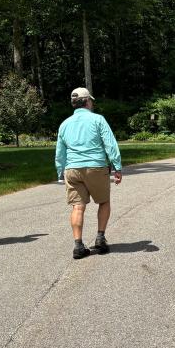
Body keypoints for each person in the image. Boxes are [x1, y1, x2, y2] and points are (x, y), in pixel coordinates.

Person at [55, 87, 123, 260]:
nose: (92, 103)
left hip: (72, 169)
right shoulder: (98, 120)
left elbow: (60, 151)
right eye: (91, 100)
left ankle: (78, 245)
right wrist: (117, 167)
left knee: (77, 207)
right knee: (104, 201)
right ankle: (100, 238)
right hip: (95, 167)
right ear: (87, 101)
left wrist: (60, 171)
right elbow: (110, 143)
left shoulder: (64, 124)